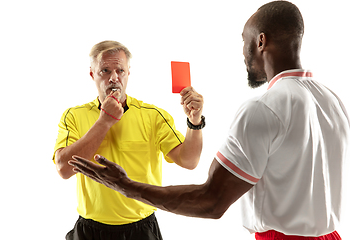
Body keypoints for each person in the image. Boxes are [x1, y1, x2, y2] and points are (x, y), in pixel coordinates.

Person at [69, 1, 349, 240]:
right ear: (93, 74)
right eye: (105, 70)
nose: (243, 51)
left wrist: (125, 185)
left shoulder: (263, 108)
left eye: (244, 40)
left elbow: (211, 201)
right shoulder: (333, 99)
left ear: (261, 41)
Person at [53, 40, 205, 240]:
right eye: (105, 71)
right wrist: (104, 122)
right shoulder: (73, 115)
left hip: (141, 230)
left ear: (128, 73)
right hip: (90, 231)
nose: (113, 78)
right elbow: (63, 169)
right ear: (92, 74)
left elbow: (189, 161)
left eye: (120, 71)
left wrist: (194, 121)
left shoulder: (153, 115)